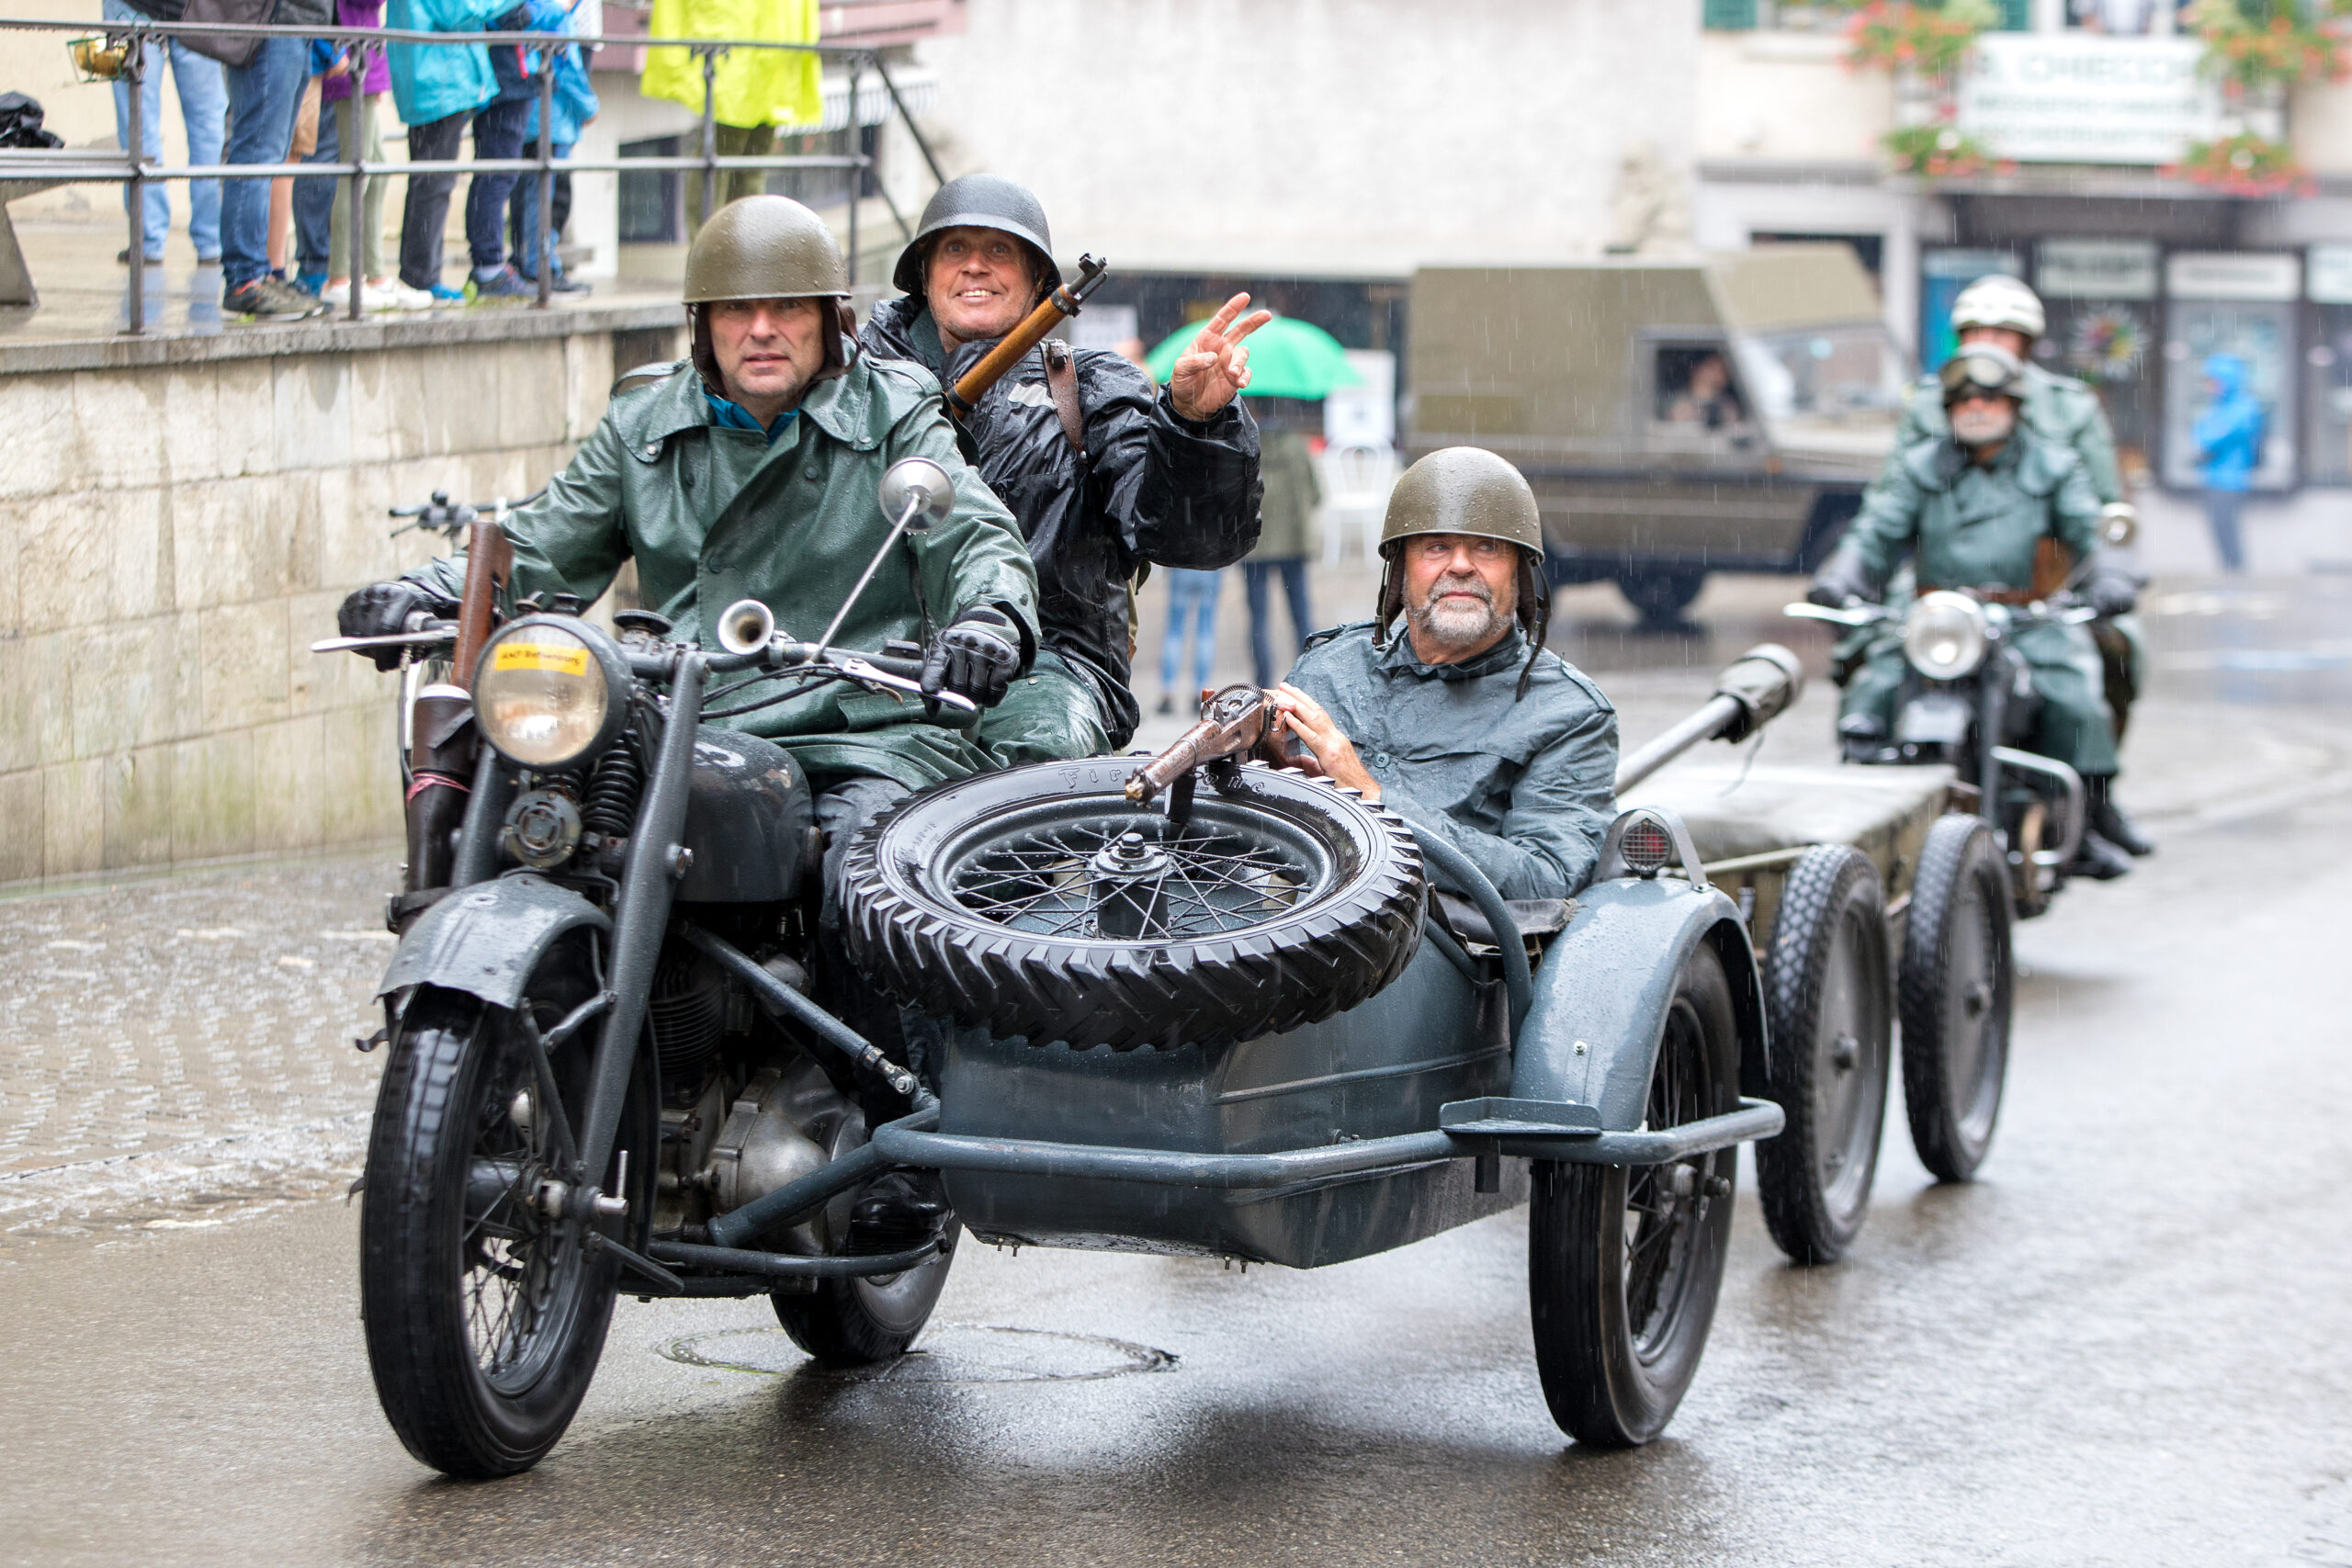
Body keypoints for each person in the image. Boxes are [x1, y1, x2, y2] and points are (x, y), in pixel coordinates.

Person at [336, 197, 1038, 1242]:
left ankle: (907, 1141)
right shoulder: (647, 422)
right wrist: (429, 589)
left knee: (864, 869)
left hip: (857, 714)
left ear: (830, 319)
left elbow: (974, 531)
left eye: (788, 309)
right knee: (536, 821)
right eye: (736, 309)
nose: (763, 330)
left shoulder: (894, 411)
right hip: (682, 714)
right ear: (702, 327)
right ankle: (473, 1091)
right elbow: (540, 543)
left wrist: (989, 617)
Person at [861, 174, 1267, 766]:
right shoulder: (851, 386)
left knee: (1026, 772)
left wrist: (1193, 424)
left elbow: (1188, 538)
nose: (976, 267)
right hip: (874, 662)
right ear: (924, 272)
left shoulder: (1091, 389)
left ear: (1037, 281)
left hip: (1049, 669)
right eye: (955, 249)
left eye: (999, 250)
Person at [1811, 344, 2144, 880]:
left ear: (2015, 405)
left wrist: (2111, 574)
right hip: (1936, 620)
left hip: (2025, 619)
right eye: (1962, 399)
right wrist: (1840, 577)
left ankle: (2088, 822)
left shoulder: (2054, 465)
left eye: (1990, 397)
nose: (1976, 408)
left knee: (2077, 701)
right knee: (1871, 690)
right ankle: (1862, 816)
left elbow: (2090, 526)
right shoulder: (1920, 467)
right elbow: (1875, 531)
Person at [1270, 446, 1620, 902]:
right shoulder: (1329, 667)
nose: (1459, 565)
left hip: (1450, 953)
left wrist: (1370, 798)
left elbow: (1545, 879)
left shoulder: (1568, 714)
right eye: (1436, 546)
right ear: (1402, 571)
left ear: (1519, 572)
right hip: (1292, 923)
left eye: (1487, 547)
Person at [1885, 274, 2153, 759]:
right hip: (1942, 581)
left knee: (2111, 657)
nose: (1988, 343)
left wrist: (2108, 571)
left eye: (2002, 331)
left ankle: (2093, 792)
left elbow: (2101, 505)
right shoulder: (1928, 401)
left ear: (2026, 342)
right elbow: (1890, 501)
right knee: (1872, 653)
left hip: (2047, 584)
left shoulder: (2070, 408)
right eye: (1975, 332)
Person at [640, 0, 821, 235]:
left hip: (769, 48)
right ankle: (713, 252)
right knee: (726, 157)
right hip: (746, 47)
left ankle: (737, 251)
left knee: (746, 161)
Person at [217, 0, 334, 320]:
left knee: (271, 156)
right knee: (256, 154)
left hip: (299, 25)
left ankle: (261, 273)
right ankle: (245, 279)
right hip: (273, 22)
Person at [388, 0, 507, 303]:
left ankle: (421, 275)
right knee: (433, 184)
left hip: (433, 76)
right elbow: (460, 11)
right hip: (438, 80)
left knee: (430, 182)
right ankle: (420, 278)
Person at [103, 0, 224, 268]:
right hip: (197, 9)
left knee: (137, 120)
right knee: (208, 124)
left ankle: (148, 240)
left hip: (130, 8)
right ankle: (211, 240)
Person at [506, 0, 596, 295]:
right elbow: (566, 69)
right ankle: (541, 267)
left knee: (529, 193)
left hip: (534, 117)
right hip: (552, 120)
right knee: (548, 196)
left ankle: (527, 261)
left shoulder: (536, 11)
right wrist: (589, 107)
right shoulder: (554, 15)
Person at [1243, 418, 1321, 690]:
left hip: (1255, 546)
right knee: (1301, 614)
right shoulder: (1298, 447)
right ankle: (1308, 678)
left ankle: (1262, 681)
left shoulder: (1247, 447)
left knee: (1258, 618)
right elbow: (1317, 494)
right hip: (1293, 544)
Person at [2193, 353, 2264, 576]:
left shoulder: (2243, 407)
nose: (2210, 387)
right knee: (2220, 533)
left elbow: (2208, 438)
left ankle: (2235, 578)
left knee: (2227, 534)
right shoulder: (2222, 407)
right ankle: (2230, 575)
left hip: (2229, 481)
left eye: (2214, 381)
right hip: (2217, 479)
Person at [1155, 568, 1222, 716]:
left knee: (1174, 629)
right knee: (1205, 629)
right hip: (1211, 563)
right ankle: (1201, 692)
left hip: (1182, 563)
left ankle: (1168, 692)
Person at [1663, 350, 1742, 431]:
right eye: (1712, 367)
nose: (1717, 373)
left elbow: (1738, 430)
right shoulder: (1675, 401)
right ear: (1696, 368)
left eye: (1723, 370)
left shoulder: (1730, 404)